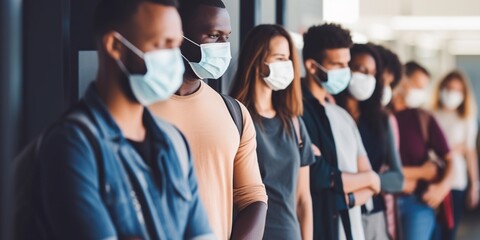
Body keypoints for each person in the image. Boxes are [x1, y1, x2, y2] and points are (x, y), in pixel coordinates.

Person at [31, 0, 213, 239]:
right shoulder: (73, 146)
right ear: (115, 45)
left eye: (176, 46)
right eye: (162, 44)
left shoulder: (174, 143)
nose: (175, 60)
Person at [149, 0, 268, 239]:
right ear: (178, 37)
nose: (224, 46)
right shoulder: (137, 109)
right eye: (214, 36)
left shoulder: (234, 113)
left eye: (227, 37)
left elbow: (253, 197)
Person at [229, 24, 315, 240]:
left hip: (290, 233)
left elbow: (303, 199)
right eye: (279, 58)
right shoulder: (234, 118)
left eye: (288, 59)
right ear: (257, 61)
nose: (286, 66)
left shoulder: (294, 123)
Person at [301, 23, 381, 240]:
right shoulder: (296, 112)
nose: (345, 72)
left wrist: (347, 197)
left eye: (347, 64)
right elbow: (316, 177)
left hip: (351, 230)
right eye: (337, 65)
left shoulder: (342, 116)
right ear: (312, 66)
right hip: (317, 229)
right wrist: (368, 179)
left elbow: (373, 182)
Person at [335, 43, 404, 240]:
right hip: (337, 212)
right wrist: (371, 181)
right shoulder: (329, 113)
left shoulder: (381, 120)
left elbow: (398, 179)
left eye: (372, 73)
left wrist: (367, 182)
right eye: (359, 69)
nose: (365, 78)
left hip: (372, 216)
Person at [391, 61, 454, 240]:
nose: (420, 92)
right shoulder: (381, 116)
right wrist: (423, 172)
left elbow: (449, 158)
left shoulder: (423, 118)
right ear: (402, 81)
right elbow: (378, 170)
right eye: (417, 86)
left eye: (423, 88)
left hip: (417, 203)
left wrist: (442, 187)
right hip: (384, 202)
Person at [431, 70, 480, 240]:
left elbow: (470, 151)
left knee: (449, 230)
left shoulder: (466, 118)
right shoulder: (431, 114)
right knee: (433, 229)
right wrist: (452, 149)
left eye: (457, 90)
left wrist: (475, 185)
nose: (452, 93)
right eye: (449, 88)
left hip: (456, 181)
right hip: (432, 178)